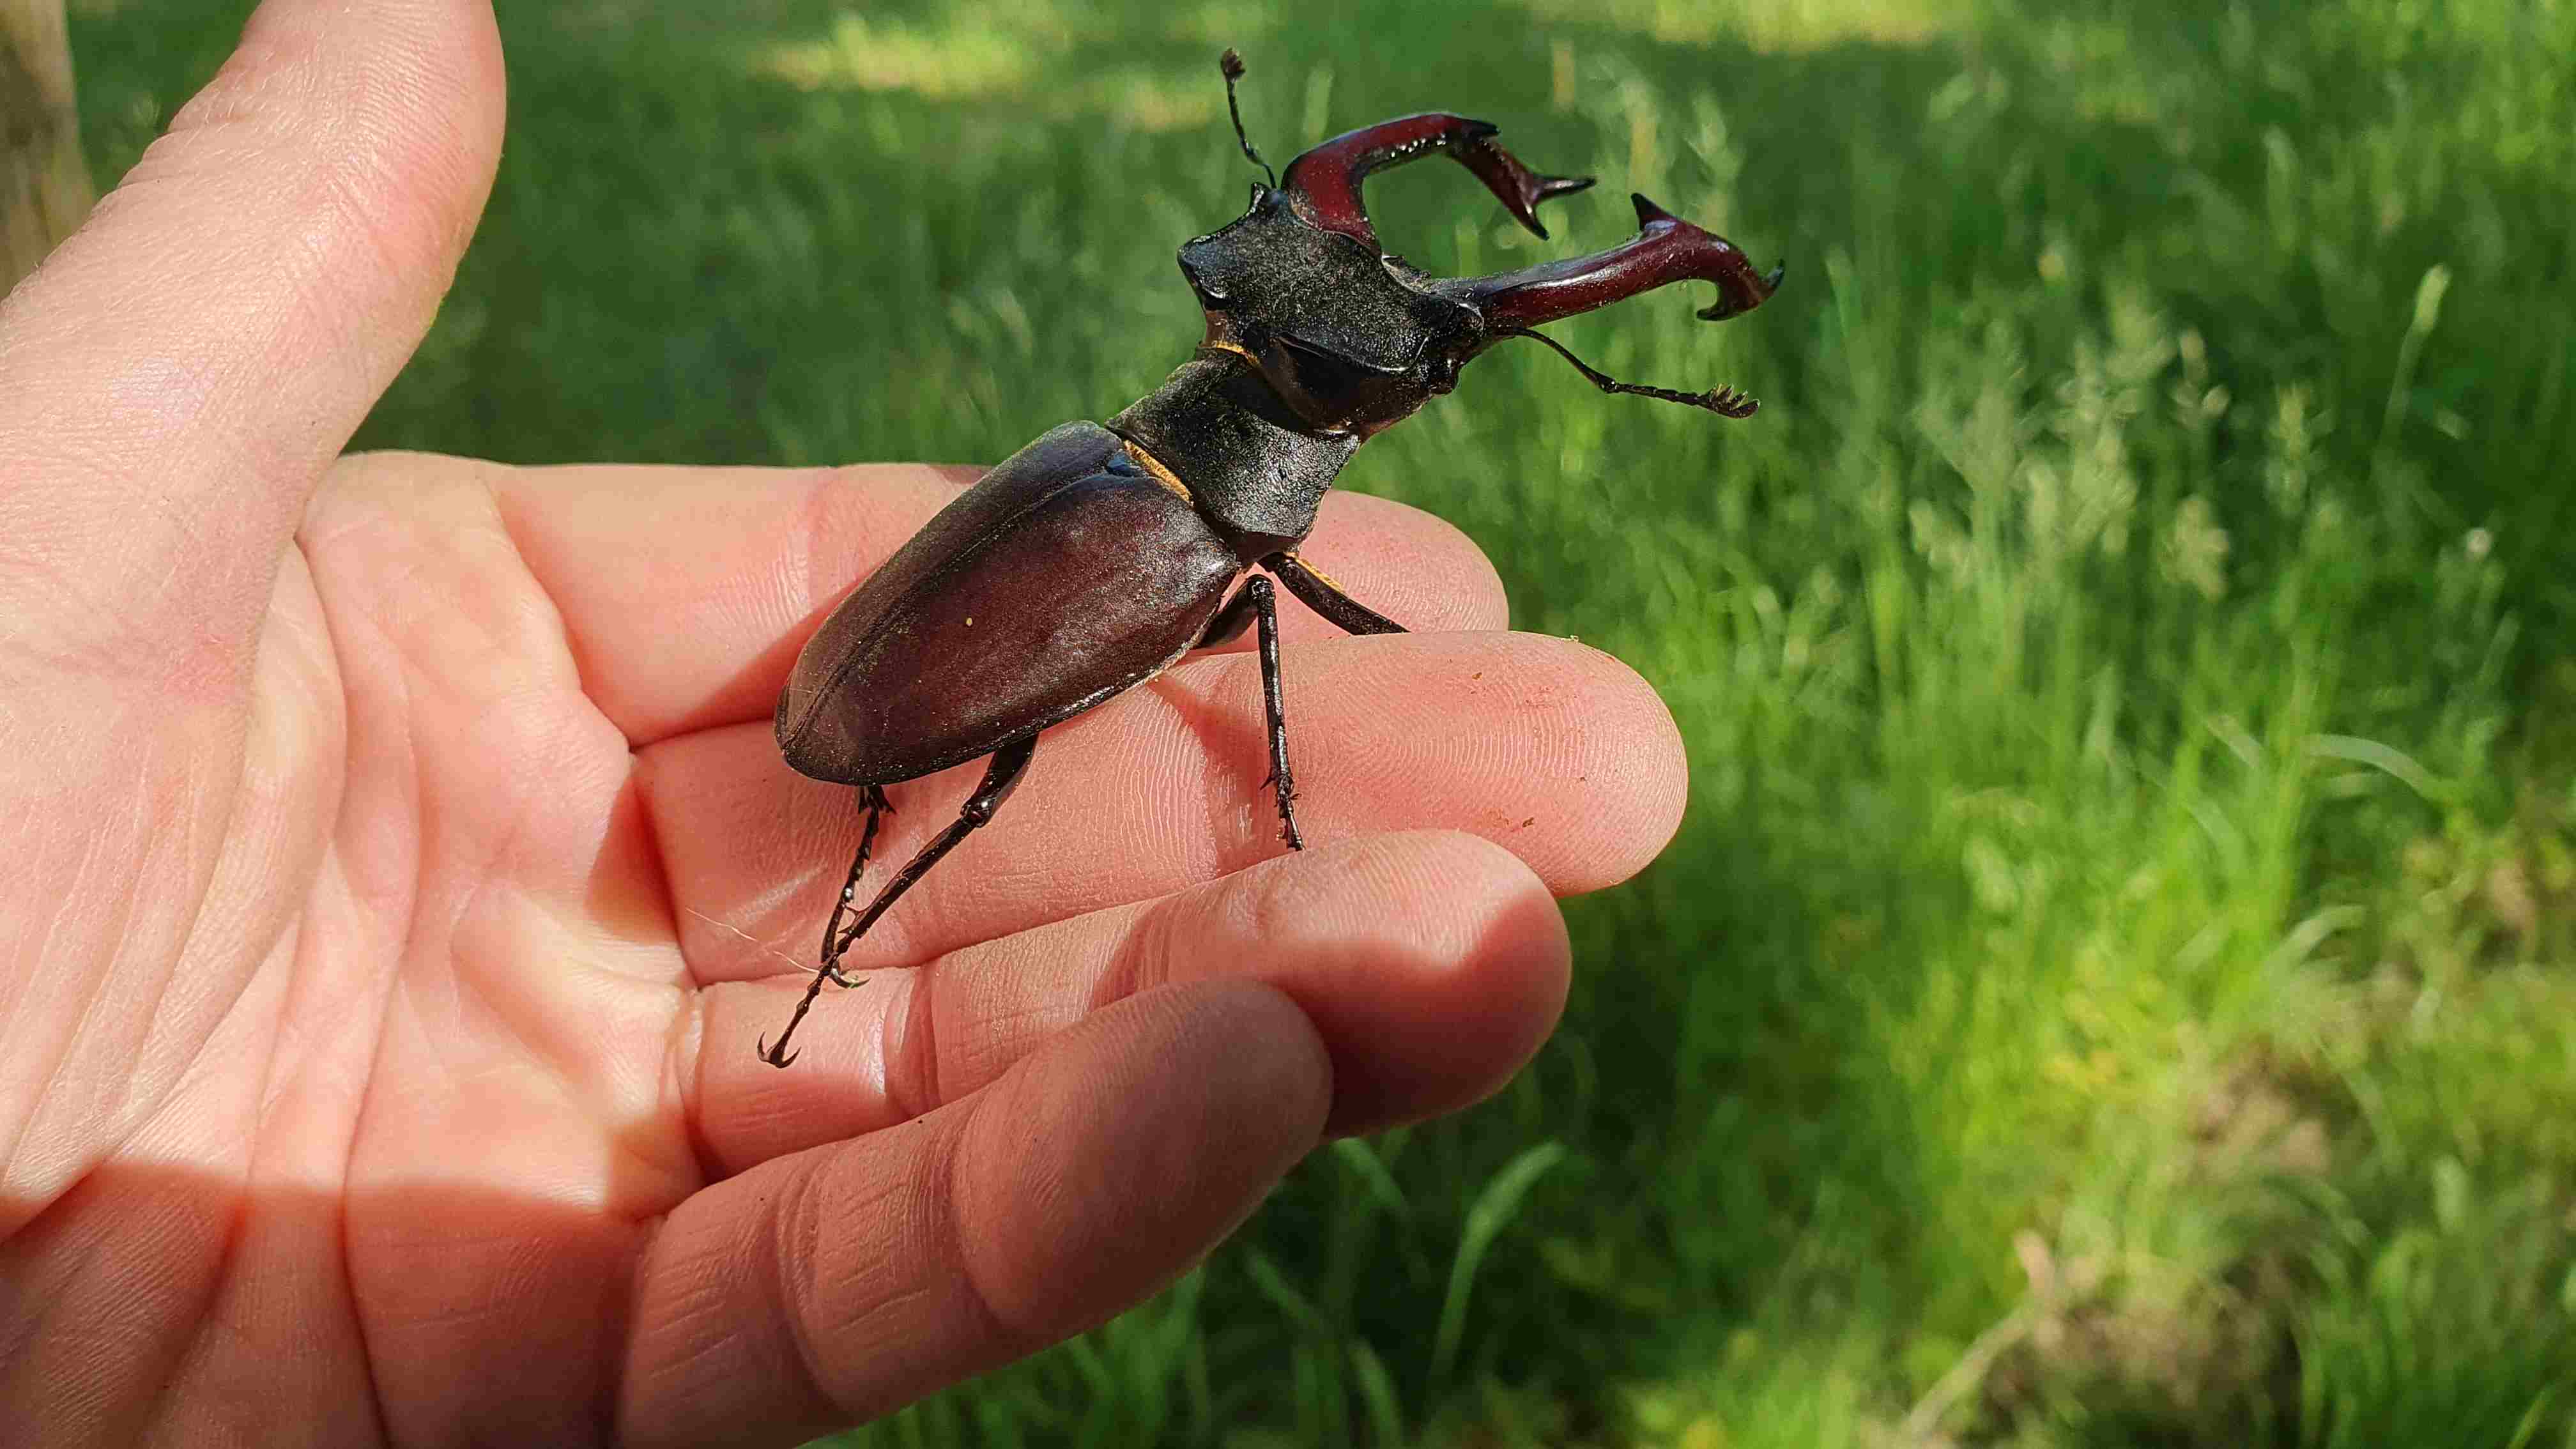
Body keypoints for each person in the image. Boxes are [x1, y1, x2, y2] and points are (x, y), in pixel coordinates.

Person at [0, 1, 1685, 1442]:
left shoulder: (1090, 459)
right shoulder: (1202, 561)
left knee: (1061, 771)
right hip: (889, 701)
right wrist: (1292, 800)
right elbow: (1256, 646)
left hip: (930, 625)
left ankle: (853, 916)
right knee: (994, 791)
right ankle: (857, 919)